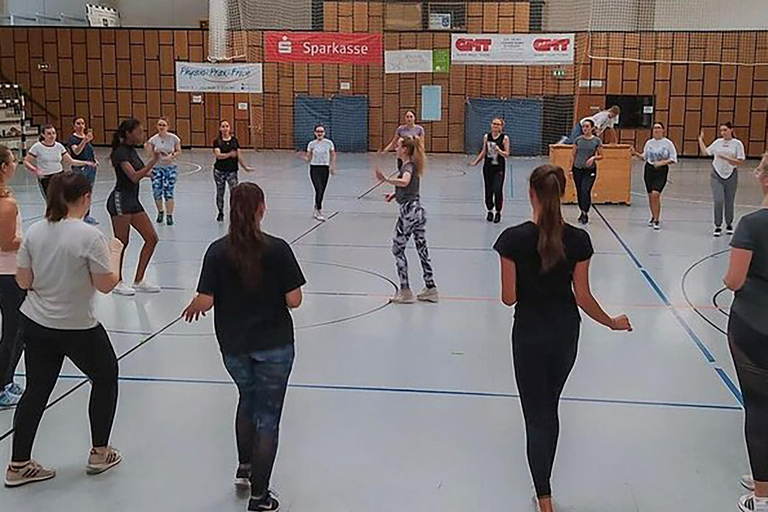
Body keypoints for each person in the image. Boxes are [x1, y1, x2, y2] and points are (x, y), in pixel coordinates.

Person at [493, 164, 631, 512]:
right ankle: (544, 493)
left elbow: (509, 297)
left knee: (535, 416)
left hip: (528, 335)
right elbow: (583, 298)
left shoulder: (513, 239)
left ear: (531, 194)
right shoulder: (579, 240)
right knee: (548, 408)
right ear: (564, 193)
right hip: (565, 335)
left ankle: (544, 499)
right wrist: (612, 322)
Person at [183, 182, 305, 512]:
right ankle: (259, 497)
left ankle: (244, 467)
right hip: (274, 344)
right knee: (268, 417)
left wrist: (195, 304)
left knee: (246, 399)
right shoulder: (277, 249)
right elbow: (294, 299)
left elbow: (206, 300)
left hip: (233, 345)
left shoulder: (217, 251)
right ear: (261, 209)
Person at [4, 171, 124, 488]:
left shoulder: (35, 231)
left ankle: (18, 464)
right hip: (77, 325)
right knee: (106, 376)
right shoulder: (89, 236)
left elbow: (23, 281)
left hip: (36, 323)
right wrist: (116, 252)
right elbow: (106, 284)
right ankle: (100, 451)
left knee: (36, 390)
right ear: (85, 198)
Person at [723, 155, 768, 512]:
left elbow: (734, 280)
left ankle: (762, 495)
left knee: (758, 408)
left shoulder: (752, 225)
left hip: (754, 326)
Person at [375, 136, 438, 304]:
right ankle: (431, 287)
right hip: (418, 211)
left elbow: (405, 181)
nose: (396, 148)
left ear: (404, 150)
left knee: (397, 249)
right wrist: (395, 194)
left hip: (409, 213)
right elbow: (410, 187)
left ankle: (405, 290)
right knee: (422, 249)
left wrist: (386, 179)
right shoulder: (411, 165)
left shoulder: (408, 167)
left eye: (398, 145)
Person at [108, 118, 161, 296]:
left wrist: (151, 174)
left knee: (151, 238)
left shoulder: (131, 151)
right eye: (138, 132)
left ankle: (138, 280)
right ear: (128, 133)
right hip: (120, 201)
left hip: (133, 201)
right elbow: (133, 177)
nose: (141, 134)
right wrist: (152, 162)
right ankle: (117, 281)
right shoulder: (120, 153)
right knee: (121, 243)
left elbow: (140, 172)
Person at [0, 145, 25, 407]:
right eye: (12, 160)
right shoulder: (7, 204)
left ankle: (6, 379)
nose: (15, 163)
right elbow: (7, 243)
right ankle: (1, 386)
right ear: (4, 168)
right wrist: (29, 241)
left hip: (6, 273)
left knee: (15, 332)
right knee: (13, 333)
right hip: (8, 274)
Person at [698, 123, 746, 237]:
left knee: (729, 201)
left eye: (725, 130)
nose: (723, 132)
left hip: (731, 174)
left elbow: (740, 161)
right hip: (717, 174)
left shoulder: (737, 144)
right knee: (719, 200)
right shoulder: (717, 142)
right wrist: (700, 140)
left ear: (731, 130)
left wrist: (726, 158)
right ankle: (718, 225)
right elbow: (706, 152)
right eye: (721, 130)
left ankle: (729, 224)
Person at [25, 125, 93, 200]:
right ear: (43, 135)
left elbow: (71, 161)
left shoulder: (59, 146)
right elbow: (26, 162)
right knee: (51, 201)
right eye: (49, 134)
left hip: (59, 176)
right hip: (46, 178)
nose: (52, 136)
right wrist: (35, 170)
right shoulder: (37, 147)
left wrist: (87, 163)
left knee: (62, 200)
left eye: (54, 133)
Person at [633, 122, 678, 230]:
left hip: (661, 170)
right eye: (655, 128)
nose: (656, 130)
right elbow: (644, 157)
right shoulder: (649, 143)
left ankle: (657, 219)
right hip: (649, 170)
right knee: (650, 195)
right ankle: (653, 216)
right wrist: (635, 153)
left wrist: (661, 163)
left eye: (659, 128)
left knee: (655, 194)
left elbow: (673, 159)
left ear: (663, 130)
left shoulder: (668, 143)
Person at [469, 118, 511, 223]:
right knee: (488, 190)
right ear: (491, 125)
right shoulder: (486, 137)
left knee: (497, 189)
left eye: (498, 124)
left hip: (499, 167)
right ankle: (489, 210)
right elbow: (484, 152)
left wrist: (499, 150)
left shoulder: (504, 138)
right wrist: (475, 162)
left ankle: (498, 212)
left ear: (501, 127)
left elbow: (507, 154)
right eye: (494, 124)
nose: (496, 126)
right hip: (488, 167)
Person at [213, 120, 253, 222]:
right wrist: (229, 155)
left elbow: (239, 155)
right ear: (220, 129)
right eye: (223, 126)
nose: (225, 128)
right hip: (219, 171)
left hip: (232, 171)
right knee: (220, 192)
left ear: (229, 128)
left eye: (227, 126)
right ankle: (220, 212)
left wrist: (245, 167)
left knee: (235, 193)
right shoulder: (217, 141)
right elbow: (218, 155)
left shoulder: (234, 141)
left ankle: (235, 213)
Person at [146, 117, 182, 226]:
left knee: (168, 192)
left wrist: (171, 156)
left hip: (170, 168)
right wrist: (150, 151)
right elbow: (149, 154)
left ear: (167, 126)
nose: (161, 127)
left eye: (164, 125)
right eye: (160, 125)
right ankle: (160, 211)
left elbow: (178, 151)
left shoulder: (174, 138)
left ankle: (169, 215)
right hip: (157, 168)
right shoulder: (153, 140)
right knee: (157, 191)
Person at [571, 119, 603, 225]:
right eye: (584, 127)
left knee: (585, 190)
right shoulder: (578, 140)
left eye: (587, 127)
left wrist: (593, 158)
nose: (585, 129)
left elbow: (601, 155)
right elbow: (573, 155)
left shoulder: (596, 141)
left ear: (592, 128)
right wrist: (569, 169)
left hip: (590, 170)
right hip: (577, 168)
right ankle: (582, 211)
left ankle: (585, 212)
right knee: (580, 191)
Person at [68, 117, 99, 225]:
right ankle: (76, 214)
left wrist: (95, 160)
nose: (81, 126)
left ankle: (87, 215)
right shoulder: (72, 139)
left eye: (82, 123)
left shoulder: (86, 138)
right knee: (79, 192)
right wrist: (84, 141)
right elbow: (76, 152)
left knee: (88, 192)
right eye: (78, 123)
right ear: (74, 126)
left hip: (91, 168)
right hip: (79, 168)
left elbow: (89, 151)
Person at [302, 124, 336, 222]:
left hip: (324, 168)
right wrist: (303, 157)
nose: (320, 133)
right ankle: (319, 210)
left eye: (321, 131)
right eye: (318, 131)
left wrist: (332, 166)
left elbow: (333, 155)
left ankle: (316, 206)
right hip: (314, 168)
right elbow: (308, 158)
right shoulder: (311, 144)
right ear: (315, 133)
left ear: (324, 133)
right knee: (319, 189)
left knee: (322, 190)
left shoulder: (329, 143)